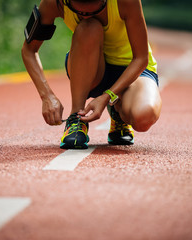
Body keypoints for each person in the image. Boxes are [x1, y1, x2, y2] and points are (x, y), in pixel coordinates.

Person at [21, 0, 162, 149]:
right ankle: (76, 119)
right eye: (79, 13)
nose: (85, 16)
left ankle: (118, 111)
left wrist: (108, 96)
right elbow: (29, 50)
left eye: (94, 11)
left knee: (144, 117)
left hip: (132, 70)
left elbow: (141, 59)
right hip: (91, 68)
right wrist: (47, 96)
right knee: (89, 27)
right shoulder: (54, 3)